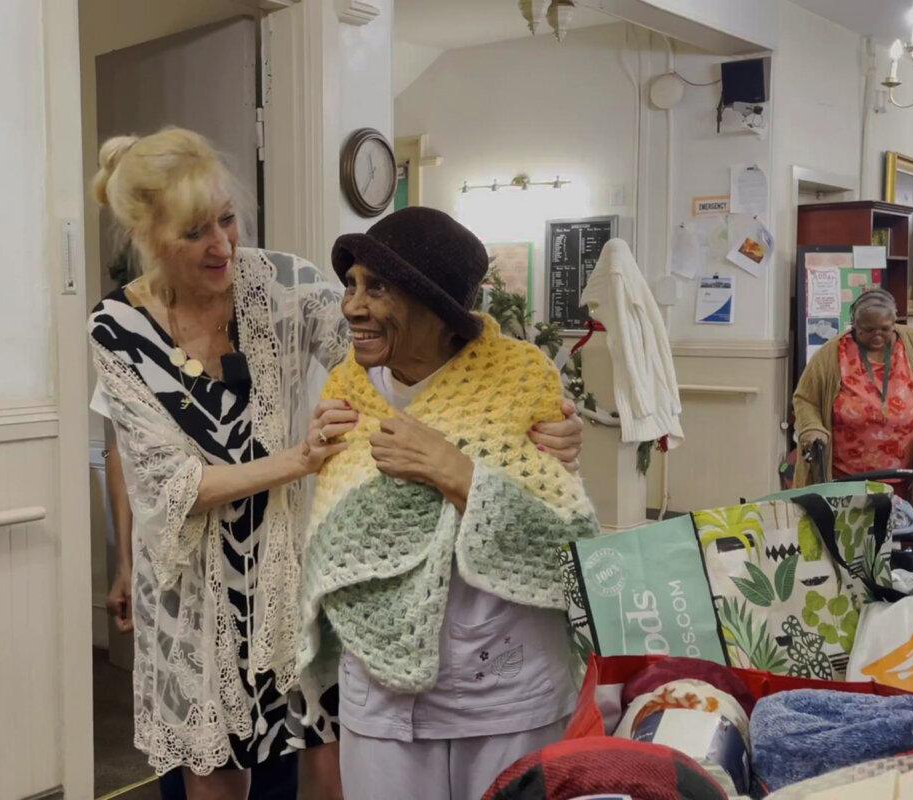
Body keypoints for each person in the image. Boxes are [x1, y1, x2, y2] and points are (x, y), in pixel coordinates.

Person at [87, 128, 584, 799]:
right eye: (196, 232)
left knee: (327, 748)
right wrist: (298, 459)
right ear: (148, 235)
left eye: (228, 220)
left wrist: (530, 418)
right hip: (196, 586)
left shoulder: (283, 283)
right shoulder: (116, 329)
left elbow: (402, 353)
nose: (223, 246)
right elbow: (167, 481)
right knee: (213, 768)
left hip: (301, 564)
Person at [298, 207, 600, 800]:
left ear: (436, 308)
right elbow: (337, 532)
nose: (352, 306)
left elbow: (564, 546)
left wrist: (455, 472)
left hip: (505, 690)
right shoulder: (346, 390)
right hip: (382, 695)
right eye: (351, 285)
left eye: (376, 287)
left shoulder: (519, 380)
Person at [793, 288, 913, 508]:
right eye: (868, 330)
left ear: (894, 322)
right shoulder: (831, 354)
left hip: (903, 476)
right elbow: (805, 399)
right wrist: (812, 428)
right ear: (854, 325)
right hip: (846, 478)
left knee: (898, 533)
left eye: (885, 329)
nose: (877, 335)